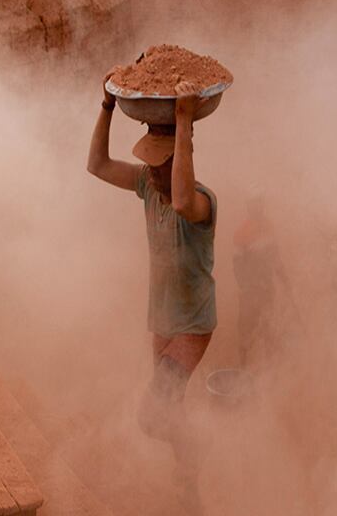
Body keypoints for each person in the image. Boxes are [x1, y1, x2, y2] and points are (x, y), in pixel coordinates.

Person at [86, 71, 217, 514]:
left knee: (152, 414)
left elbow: (181, 199)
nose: (155, 175)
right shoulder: (147, 186)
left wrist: (183, 122)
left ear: (180, 159)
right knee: (170, 410)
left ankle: (198, 449)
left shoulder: (201, 202)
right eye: (153, 166)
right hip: (160, 320)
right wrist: (106, 106)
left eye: (162, 166)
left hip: (192, 326)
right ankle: (191, 483)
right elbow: (97, 166)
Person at [232, 194, 292, 367]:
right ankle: (242, 367)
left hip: (267, 288)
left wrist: (284, 279)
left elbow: (275, 257)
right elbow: (238, 267)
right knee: (245, 329)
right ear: (249, 206)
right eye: (253, 204)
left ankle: (269, 369)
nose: (257, 208)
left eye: (259, 203)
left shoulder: (268, 227)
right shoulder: (241, 233)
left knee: (268, 328)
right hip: (250, 291)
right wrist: (248, 287)